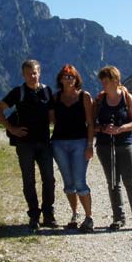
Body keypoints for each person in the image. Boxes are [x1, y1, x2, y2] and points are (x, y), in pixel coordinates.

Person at [0, 59, 57, 230]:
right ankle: (34, 216)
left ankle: (48, 215)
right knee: (29, 181)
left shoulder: (47, 91)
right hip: (25, 144)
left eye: (35, 72)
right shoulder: (18, 92)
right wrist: (11, 128)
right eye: (28, 73)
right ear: (23, 75)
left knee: (49, 180)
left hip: (44, 143)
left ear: (39, 72)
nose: (32, 76)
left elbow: (52, 117)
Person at [94, 65, 132, 232]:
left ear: (116, 80)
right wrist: (103, 128)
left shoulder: (126, 97)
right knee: (113, 183)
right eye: (102, 80)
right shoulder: (100, 100)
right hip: (105, 146)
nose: (104, 83)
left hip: (125, 144)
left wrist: (120, 129)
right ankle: (118, 219)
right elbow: (91, 123)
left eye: (107, 80)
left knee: (130, 182)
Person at [51, 64, 95, 232]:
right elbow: (52, 120)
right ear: (60, 79)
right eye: (65, 76)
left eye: (71, 76)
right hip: (59, 143)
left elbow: (90, 123)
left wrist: (90, 145)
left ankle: (89, 217)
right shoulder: (56, 98)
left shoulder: (84, 96)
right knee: (68, 182)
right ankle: (75, 214)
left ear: (77, 79)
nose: (68, 79)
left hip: (80, 143)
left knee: (79, 181)